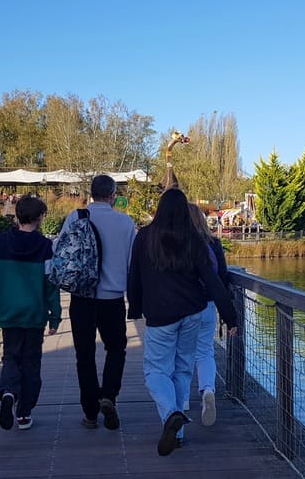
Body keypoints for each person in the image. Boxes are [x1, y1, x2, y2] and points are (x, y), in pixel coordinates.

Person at [127, 189, 238, 456]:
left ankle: (172, 415)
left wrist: (135, 307)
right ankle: (177, 434)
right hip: (192, 312)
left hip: (160, 315)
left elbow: (135, 276)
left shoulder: (144, 237)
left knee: (156, 371)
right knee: (182, 370)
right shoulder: (194, 240)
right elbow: (213, 280)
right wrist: (230, 316)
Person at [57, 174, 136, 430]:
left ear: (91, 193)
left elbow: (61, 253)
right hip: (112, 299)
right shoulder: (125, 223)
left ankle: (90, 413)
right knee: (116, 349)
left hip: (82, 298)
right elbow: (132, 264)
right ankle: (108, 396)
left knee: (84, 355)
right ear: (113, 195)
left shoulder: (75, 217)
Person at [0, 196, 61, 431]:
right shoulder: (44, 246)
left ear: (17, 216)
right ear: (40, 218)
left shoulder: (1, 242)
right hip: (34, 314)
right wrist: (55, 315)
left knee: (10, 356)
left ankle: (8, 392)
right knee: (31, 362)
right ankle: (24, 413)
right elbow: (50, 284)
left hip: (9, 312)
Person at [187, 202, 229, 427]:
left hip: (183, 306)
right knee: (205, 351)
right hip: (208, 305)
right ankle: (208, 389)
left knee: (181, 353)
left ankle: (181, 401)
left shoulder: (179, 245)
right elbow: (221, 277)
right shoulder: (214, 243)